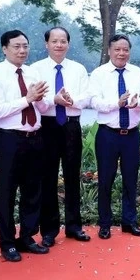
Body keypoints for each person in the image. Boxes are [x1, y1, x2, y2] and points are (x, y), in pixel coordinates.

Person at [0, 30, 51, 262]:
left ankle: (27, 237)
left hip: (35, 137)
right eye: (16, 46)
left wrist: (40, 100)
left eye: (25, 46)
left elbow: (43, 108)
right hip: (9, 139)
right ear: (4, 49)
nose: (22, 51)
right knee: (7, 191)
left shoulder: (33, 73)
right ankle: (7, 243)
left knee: (33, 190)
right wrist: (26, 99)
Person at [30, 27, 92, 247]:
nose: (59, 45)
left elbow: (87, 97)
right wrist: (53, 100)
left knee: (73, 175)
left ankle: (74, 226)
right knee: (47, 177)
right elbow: (36, 100)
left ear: (68, 44)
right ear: (46, 44)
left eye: (63, 41)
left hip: (71, 125)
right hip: (47, 126)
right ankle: (49, 230)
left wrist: (70, 100)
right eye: (54, 41)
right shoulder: (36, 69)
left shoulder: (78, 69)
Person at [88, 34, 140, 240]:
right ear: (109, 51)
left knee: (130, 180)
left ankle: (129, 222)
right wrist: (117, 103)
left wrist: (137, 102)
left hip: (131, 135)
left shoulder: (138, 73)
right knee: (105, 180)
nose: (121, 53)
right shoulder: (99, 74)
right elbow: (94, 102)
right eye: (117, 49)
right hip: (108, 135)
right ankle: (105, 224)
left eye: (125, 49)